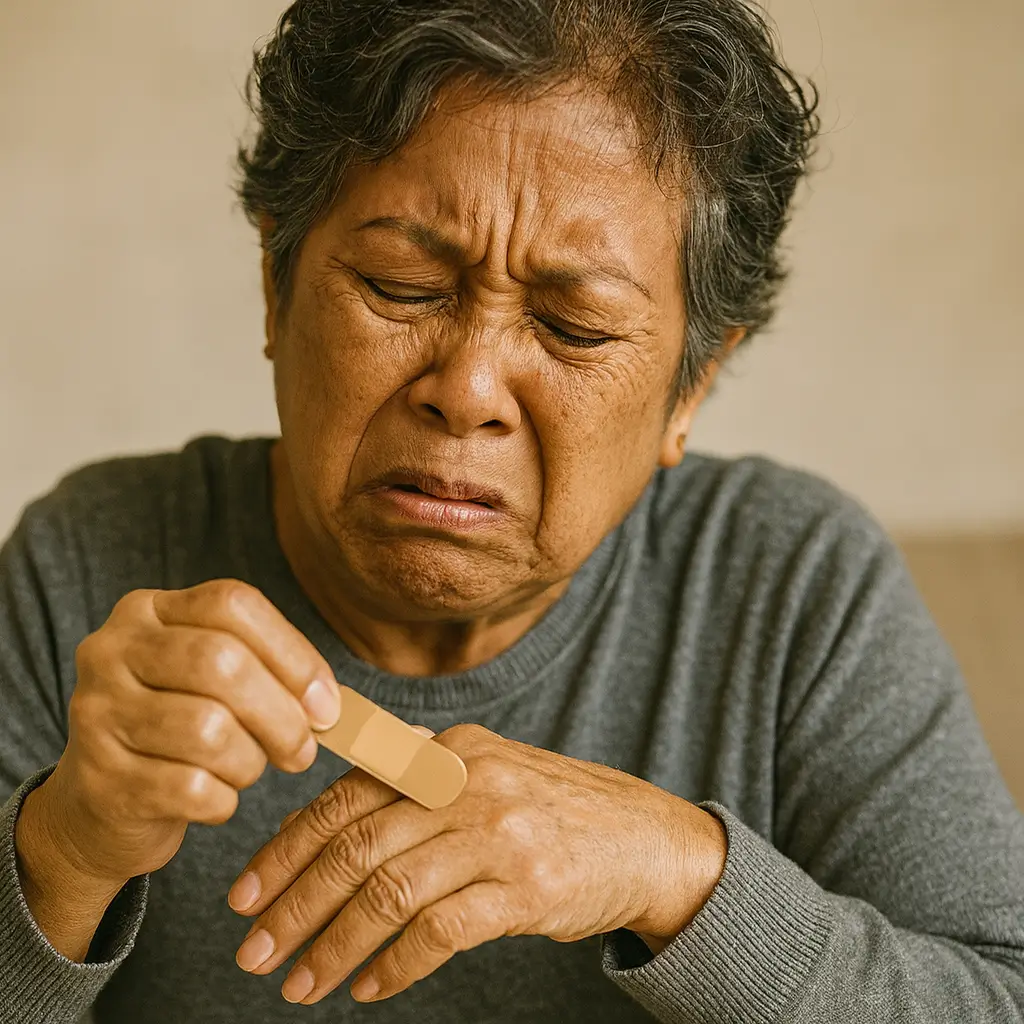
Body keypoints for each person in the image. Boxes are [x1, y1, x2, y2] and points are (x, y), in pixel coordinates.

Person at [2, 0, 1023, 1021]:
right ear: (278, 287)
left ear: (692, 387)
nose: (470, 387)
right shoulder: (93, 564)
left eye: (574, 326)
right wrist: (65, 848)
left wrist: (672, 869)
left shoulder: (794, 586)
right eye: (401, 286)